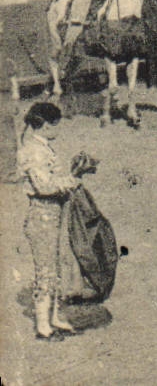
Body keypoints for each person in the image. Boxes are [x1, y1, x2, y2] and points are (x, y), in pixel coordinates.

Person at [16, 102, 85, 338]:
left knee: (54, 269)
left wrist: (73, 175)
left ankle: (54, 317)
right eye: (56, 124)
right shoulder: (34, 150)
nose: (58, 129)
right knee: (46, 270)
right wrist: (72, 180)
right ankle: (43, 326)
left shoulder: (40, 147)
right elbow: (44, 186)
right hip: (43, 214)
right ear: (45, 125)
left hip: (53, 213)